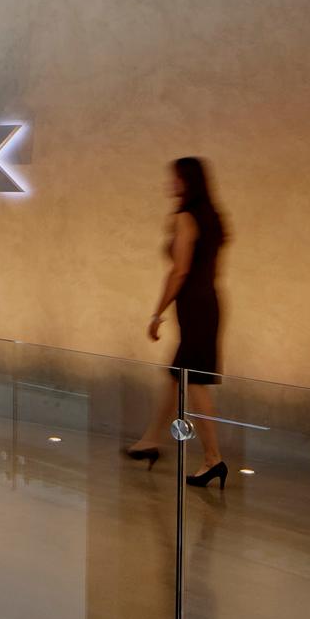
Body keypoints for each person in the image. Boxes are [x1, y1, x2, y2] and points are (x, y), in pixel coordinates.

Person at [127, 156, 228, 487]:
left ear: (187, 182)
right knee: (176, 376)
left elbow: (180, 270)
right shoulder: (212, 218)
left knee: (193, 382)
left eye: (175, 179)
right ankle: (150, 440)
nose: (169, 184)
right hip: (207, 302)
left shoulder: (186, 218)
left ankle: (213, 458)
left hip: (195, 306)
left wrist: (157, 313)